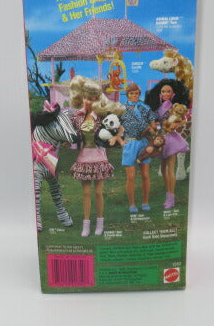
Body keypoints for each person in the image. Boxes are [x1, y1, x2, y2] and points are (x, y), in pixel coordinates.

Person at [69, 76, 125, 237]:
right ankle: (86, 224)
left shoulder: (102, 116)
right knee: (86, 193)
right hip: (83, 157)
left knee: (99, 192)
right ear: (81, 97)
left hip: (99, 157)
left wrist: (116, 137)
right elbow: (70, 134)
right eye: (86, 98)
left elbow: (120, 127)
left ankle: (100, 222)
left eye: (93, 99)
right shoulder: (76, 116)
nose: (89, 102)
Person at [145, 79, 190, 209]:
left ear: (173, 94)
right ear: (160, 93)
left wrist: (176, 124)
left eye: (168, 91)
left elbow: (183, 119)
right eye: (163, 91)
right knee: (164, 169)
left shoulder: (174, 107)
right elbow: (154, 121)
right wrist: (154, 128)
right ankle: (168, 194)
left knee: (170, 169)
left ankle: (171, 198)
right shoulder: (156, 107)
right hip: (160, 138)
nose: (165, 94)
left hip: (171, 139)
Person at [120, 83, 157, 213]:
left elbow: (153, 124)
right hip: (129, 143)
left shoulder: (145, 108)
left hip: (143, 143)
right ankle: (132, 204)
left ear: (139, 94)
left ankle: (145, 202)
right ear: (127, 94)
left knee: (145, 175)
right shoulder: (121, 109)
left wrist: (152, 131)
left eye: (136, 93)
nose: (134, 96)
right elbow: (116, 126)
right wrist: (120, 140)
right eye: (131, 93)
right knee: (131, 176)